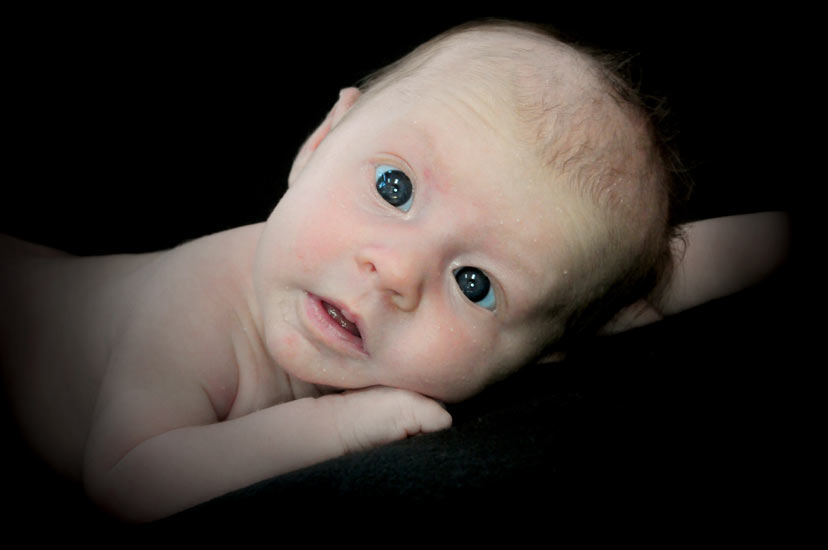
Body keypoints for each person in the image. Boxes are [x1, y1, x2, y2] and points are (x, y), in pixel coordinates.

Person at [0, 19, 790, 522]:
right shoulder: (192, 308)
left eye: (474, 282)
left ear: (550, 346)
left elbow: (646, 289)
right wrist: (337, 428)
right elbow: (127, 480)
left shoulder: (542, 327)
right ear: (319, 142)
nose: (396, 274)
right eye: (394, 188)